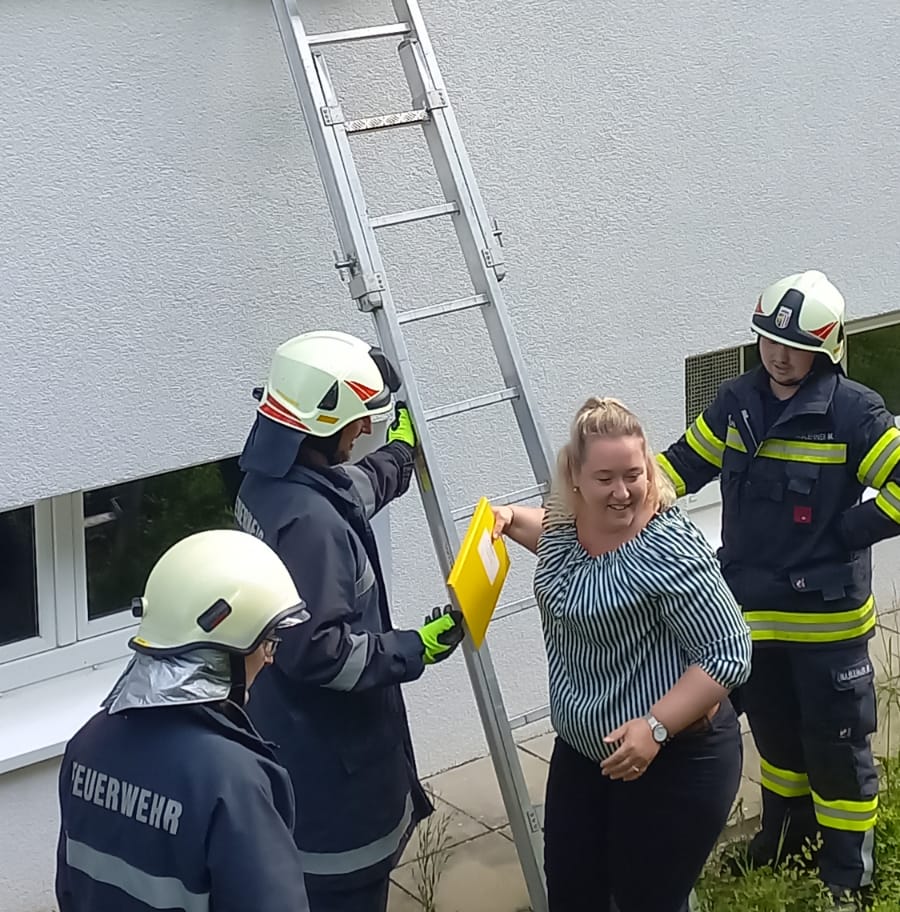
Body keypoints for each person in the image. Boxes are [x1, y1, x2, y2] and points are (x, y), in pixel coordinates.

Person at [659, 271, 900, 904]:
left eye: (795, 346)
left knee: (838, 752)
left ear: (827, 347)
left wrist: (849, 531)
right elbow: (681, 466)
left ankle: (848, 876)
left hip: (827, 630)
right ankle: (786, 841)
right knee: (778, 744)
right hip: (752, 622)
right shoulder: (736, 401)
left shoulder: (854, 412)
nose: (778, 355)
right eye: (769, 339)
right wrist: (618, 491)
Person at [234, 329, 465, 912]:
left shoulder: (267, 484)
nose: (364, 429)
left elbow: (346, 490)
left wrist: (399, 457)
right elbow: (320, 652)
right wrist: (414, 648)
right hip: (336, 786)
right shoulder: (313, 527)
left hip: (286, 749)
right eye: (356, 420)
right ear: (319, 423)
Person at [494, 396, 751, 912]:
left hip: (675, 756)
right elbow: (554, 543)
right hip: (585, 752)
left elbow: (728, 652)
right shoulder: (568, 525)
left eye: (633, 474)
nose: (621, 491)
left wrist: (655, 727)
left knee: (644, 899)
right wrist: (506, 518)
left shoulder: (670, 548)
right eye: (604, 478)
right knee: (572, 893)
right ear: (575, 478)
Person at [55, 528, 311, 912]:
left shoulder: (87, 743)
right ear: (224, 646)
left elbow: (70, 890)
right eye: (266, 640)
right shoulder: (233, 781)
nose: (270, 657)